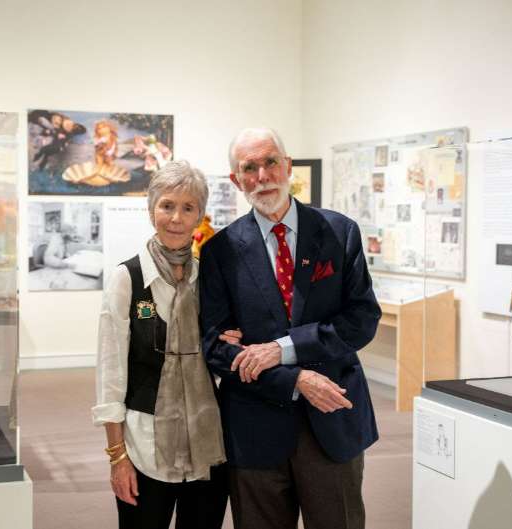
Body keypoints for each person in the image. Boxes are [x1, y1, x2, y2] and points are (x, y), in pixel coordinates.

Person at [199, 128, 381, 529]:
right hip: (255, 425)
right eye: (249, 168)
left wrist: (283, 349)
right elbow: (215, 347)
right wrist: (296, 379)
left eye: (270, 162)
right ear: (236, 180)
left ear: (288, 166)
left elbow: (362, 319)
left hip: (332, 416)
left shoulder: (339, 232)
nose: (262, 176)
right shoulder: (219, 252)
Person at [92, 160, 229, 529]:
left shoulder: (209, 277)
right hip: (145, 449)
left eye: (188, 208)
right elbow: (110, 374)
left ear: (200, 215)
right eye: (167, 205)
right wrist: (117, 457)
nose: (176, 218)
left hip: (207, 446)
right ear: (151, 209)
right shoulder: (128, 278)